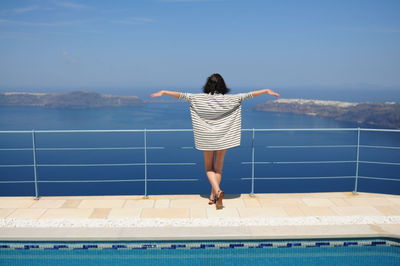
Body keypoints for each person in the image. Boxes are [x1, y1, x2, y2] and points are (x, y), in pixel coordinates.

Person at [150, 73, 280, 209]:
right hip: (224, 137)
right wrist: (266, 91)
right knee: (218, 169)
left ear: (207, 85)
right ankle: (214, 196)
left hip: (206, 138)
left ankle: (216, 192)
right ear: (223, 85)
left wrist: (164, 92)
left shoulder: (197, 98)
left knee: (208, 168)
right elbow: (249, 95)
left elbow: (181, 95)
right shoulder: (231, 99)